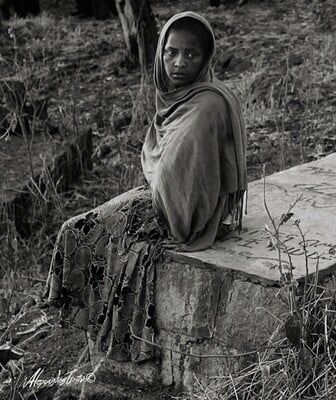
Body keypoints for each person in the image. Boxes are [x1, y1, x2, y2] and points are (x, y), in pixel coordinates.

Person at [44, 11, 247, 363]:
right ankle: (84, 326)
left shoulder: (208, 105)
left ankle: (97, 329)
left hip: (171, 217)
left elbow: (187, 183)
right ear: (160, 53)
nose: (179, 63)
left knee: (81, 231)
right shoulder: (176, 99)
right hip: (158, 199)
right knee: (74, 230)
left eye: (191, 54)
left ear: (205, 58)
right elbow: (166, 172)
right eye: (171, 52)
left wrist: (176, 229)